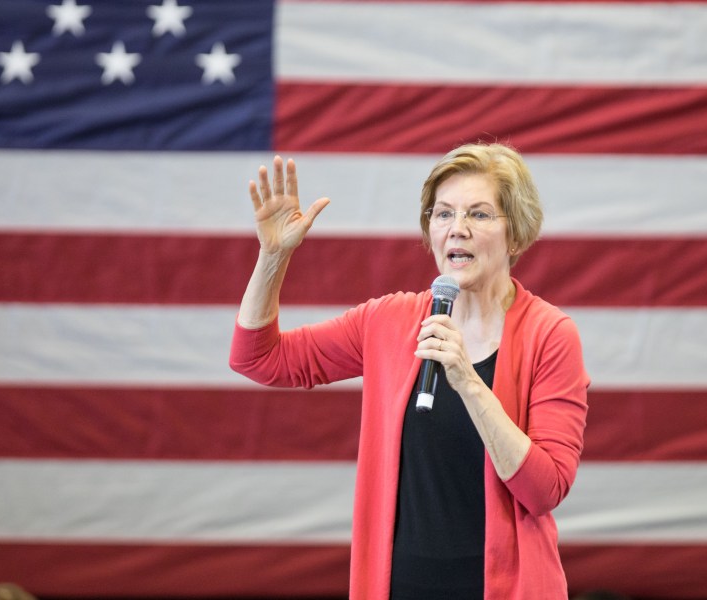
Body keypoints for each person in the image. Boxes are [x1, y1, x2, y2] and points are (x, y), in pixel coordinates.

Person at [229, 142, 590, 599]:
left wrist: (469, 383)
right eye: (443, 214)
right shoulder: (388, 321)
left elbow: (545, 490)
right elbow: (259, 359)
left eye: (478, 215)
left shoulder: (550, 335)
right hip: (399, 586)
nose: (457, 229)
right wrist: (273, 256)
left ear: (516, 235)